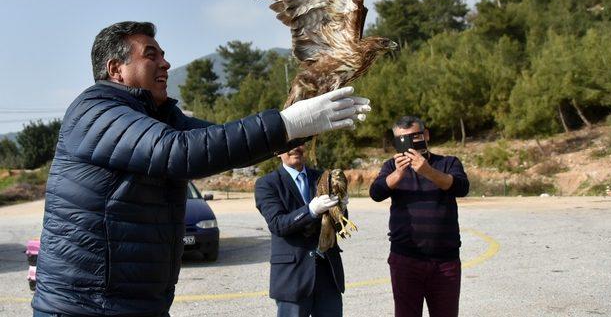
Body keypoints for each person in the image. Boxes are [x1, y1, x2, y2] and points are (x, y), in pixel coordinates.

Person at [31, 21, 370, 317]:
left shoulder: (159, 118)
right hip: (84, 306)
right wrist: (284, 125)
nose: (165, 63)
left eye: (163, 54)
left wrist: (298, 128)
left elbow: (221, 143)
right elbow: (178, 151)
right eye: (151, 55)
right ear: (116, 69)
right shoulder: (96, 112)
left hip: (138, 303)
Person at [369, 116, 469, 317]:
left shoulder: (448, 163)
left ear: (426, 135)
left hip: (445, 260)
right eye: (402, 139)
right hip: (405, 258)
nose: (410, 143)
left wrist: (427, 171)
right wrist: (398, 174)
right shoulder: (391, 167)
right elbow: (376, 193)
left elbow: (461, 187)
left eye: (415, 137)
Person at [255, 144, 346, 317]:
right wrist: (310, 210)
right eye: (289, 145)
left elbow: (338, 225)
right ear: (277, 151)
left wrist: (342, 209)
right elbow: (277, 224)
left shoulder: (323, 177)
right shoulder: (267, 184)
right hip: (292, 277)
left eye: (300, 143)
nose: (295, 148)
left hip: (327, 273)